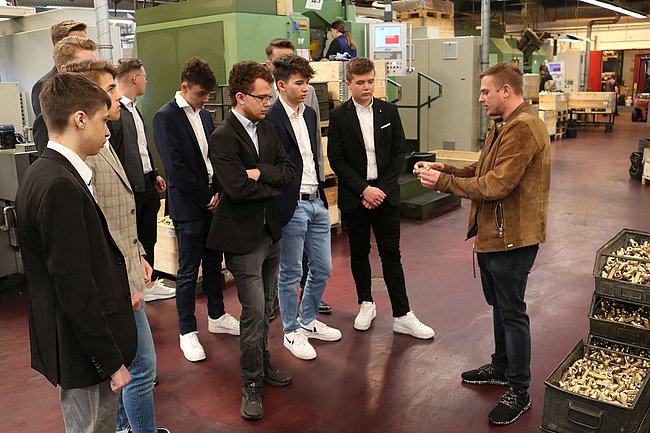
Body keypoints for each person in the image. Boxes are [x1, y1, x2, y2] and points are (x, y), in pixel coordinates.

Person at [416, 62, 551, 426]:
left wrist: (444, 185)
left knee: (512, 312)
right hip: (494, 235)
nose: (480, 98)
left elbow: (497, 185)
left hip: (513, 240)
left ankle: (519, 390)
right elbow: (481, 170)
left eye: (485, 91)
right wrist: (446, 170)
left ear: (507, 91)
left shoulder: (523, 128)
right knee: (499, 307)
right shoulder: (503, 125)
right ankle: (501, 366)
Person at [16, 72, 136, 433]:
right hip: (84, 353)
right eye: (103, 121)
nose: (108, 131)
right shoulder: (60, 186)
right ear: (79, 119)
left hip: (76, 345)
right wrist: (110, 361)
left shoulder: (44, 172)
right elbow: (74, 287)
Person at [64, 58, 170, 433]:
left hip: (126, 267)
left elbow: (120, 210)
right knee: (142, 369)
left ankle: (125, 427)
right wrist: (126, 282)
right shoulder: (85, 154)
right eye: (110, 89)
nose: (117, 95)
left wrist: (138, 252)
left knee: (133, 367)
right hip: (117, 283)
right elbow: (99, 226)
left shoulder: (105, 137)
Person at [207, 60, 295, 420]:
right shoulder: (222, 137)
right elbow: (237, 189)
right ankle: (252, 382)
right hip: (243, 240)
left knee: (269, 307)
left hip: (270, 232)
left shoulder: (268, 128)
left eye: (270, 96)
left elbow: (288, 172)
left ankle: (263, 361)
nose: (268, 103)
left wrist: (260, 172)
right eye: (262, 97)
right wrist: (269, 185)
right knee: (255, 311)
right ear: (240, 97)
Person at [327, 57, 434, 340]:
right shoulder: (339, 117)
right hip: (356, 196)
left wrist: (380, 191)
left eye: (371, 81)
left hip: (384, 195)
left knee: (391, 255)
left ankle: (402, 314)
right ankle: (366, 303)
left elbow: (399, 153)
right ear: (348, 84)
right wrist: (364, 189)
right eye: (360, 82)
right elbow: (336, 159)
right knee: (359, 252)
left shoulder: (389, 111)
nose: (367, 87)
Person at [153, 57, 240, 362]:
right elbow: (175, 168)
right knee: (189, 271)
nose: (205, 100)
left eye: (208, 95)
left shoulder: (203, 116)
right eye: (201, 94)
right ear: (184, 86)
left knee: (214, 262)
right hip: (189, 207)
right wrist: (206, 197)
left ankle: (217, 316)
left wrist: (217, 193)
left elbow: (211, 157)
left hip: (211, 203)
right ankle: (187, 332)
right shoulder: (165, 117)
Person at [265, 54, 341, 361]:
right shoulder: (271, 118)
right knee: (290, 272)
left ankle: (308, 320)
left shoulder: (309, 113)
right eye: (299, 83)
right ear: (281, 85)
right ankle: (291, 330)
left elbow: (312, 156)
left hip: (317, 201)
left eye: (307, 82)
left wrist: (321, 191)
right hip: (292, 204)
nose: (305, 88)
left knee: (322, 267)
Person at [110, 58, 172, 301]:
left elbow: (141, 148)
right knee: (134, 238)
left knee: (148, 235)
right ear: (135, 78)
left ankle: (150, 282)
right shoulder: (116, 113)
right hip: (131, 188)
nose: (146, 81)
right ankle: (137, 284)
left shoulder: (135, 109)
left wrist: (154, 174)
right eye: (144, 77)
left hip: (146, 182)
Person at [34, 36, 97, 155]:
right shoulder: (48, 121)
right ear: (65, 70)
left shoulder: (99, 110)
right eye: (86, 66)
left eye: (94, 65)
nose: (95, 72)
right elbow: (52, 162)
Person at [31, 19, 87, 117]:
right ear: (60, 47)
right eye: (77, 43)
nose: (84, 47)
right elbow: (46, 123)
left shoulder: (90, 79)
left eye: (84, 42)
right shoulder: (44, 86)